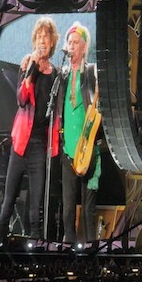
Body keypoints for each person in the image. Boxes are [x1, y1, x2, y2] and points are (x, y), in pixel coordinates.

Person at [0, 17, 61, 242]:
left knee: (36, 201)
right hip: (21, 141)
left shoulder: (56, 74)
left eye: (46, 37)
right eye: (39, 37)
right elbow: (22, 99)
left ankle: (36, 242)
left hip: (41, 144)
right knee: (9, 195)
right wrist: (30, 71)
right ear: (34, 40)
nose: (42, 41)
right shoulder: (26, 66)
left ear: (52, 42)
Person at [58, 23, 102, 247]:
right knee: (67, 207)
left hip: (88, 150)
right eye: (69, 42)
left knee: (87, 207)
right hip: (68, 149)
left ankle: (91, 250)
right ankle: (68, 249)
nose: (71, 46)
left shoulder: (92, 72)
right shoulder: (63, 75)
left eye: (76, 43)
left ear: (84, 48)